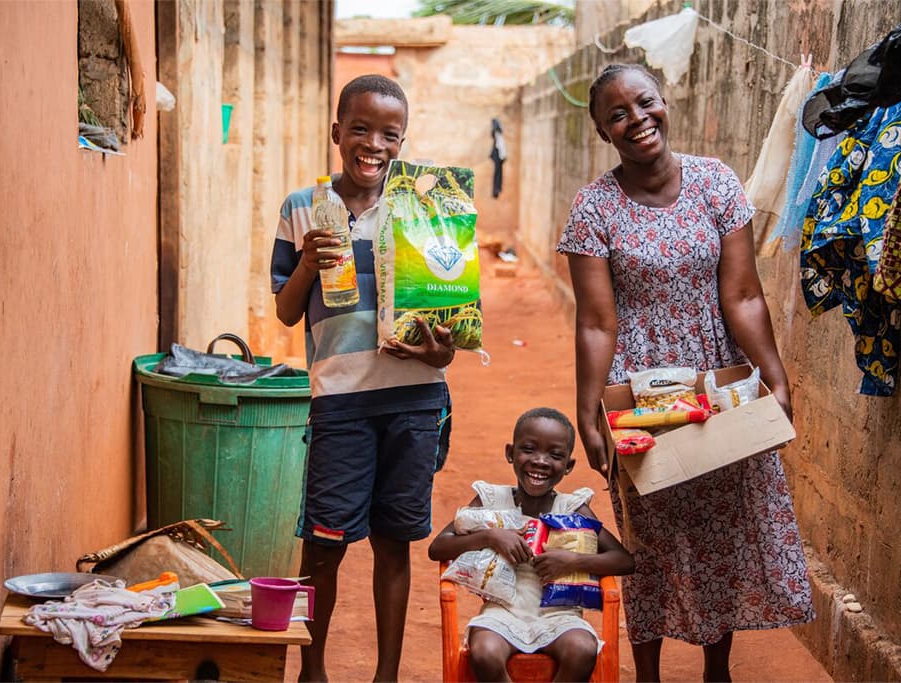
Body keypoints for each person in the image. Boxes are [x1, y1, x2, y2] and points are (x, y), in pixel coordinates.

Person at [556, 63, 815, 682]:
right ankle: (647, 670)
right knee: (650, 529)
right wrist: (588, 412)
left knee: (723, 521)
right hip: (641, 388)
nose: (636, 120)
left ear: (664, 102)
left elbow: (745, 295)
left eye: (644, 103)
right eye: (617, 115)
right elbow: (595, 322)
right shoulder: (594, 208)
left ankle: (715, 668)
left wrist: (774, 379)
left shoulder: (716, 183)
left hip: (715, 376)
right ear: (602, 131)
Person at [271, 74, 456, 682]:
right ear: (336, 133)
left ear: (402, 142)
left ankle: (386, 675)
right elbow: (286, 310)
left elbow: (447, 334)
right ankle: (313, 671)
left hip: (415, 399)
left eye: (389, 134)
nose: (373, 144)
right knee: (323, 545)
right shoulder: (302, 207)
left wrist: (443, 350)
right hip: (341, 401)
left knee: (392, 541)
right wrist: (308, 260)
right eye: (360, 129)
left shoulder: (427, 208)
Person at [428, 407, 635, 683]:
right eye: (529, 449)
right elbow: (438, 547)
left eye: (555, 455)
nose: (540, 461)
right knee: (485, 653)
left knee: (582, 649)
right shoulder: (491, 500)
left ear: (569, 466)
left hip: (560, 615)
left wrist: (573, 561)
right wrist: (491, 536)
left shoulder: (572, 509)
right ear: (510, 453)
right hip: (501, 613)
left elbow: (623, 560)